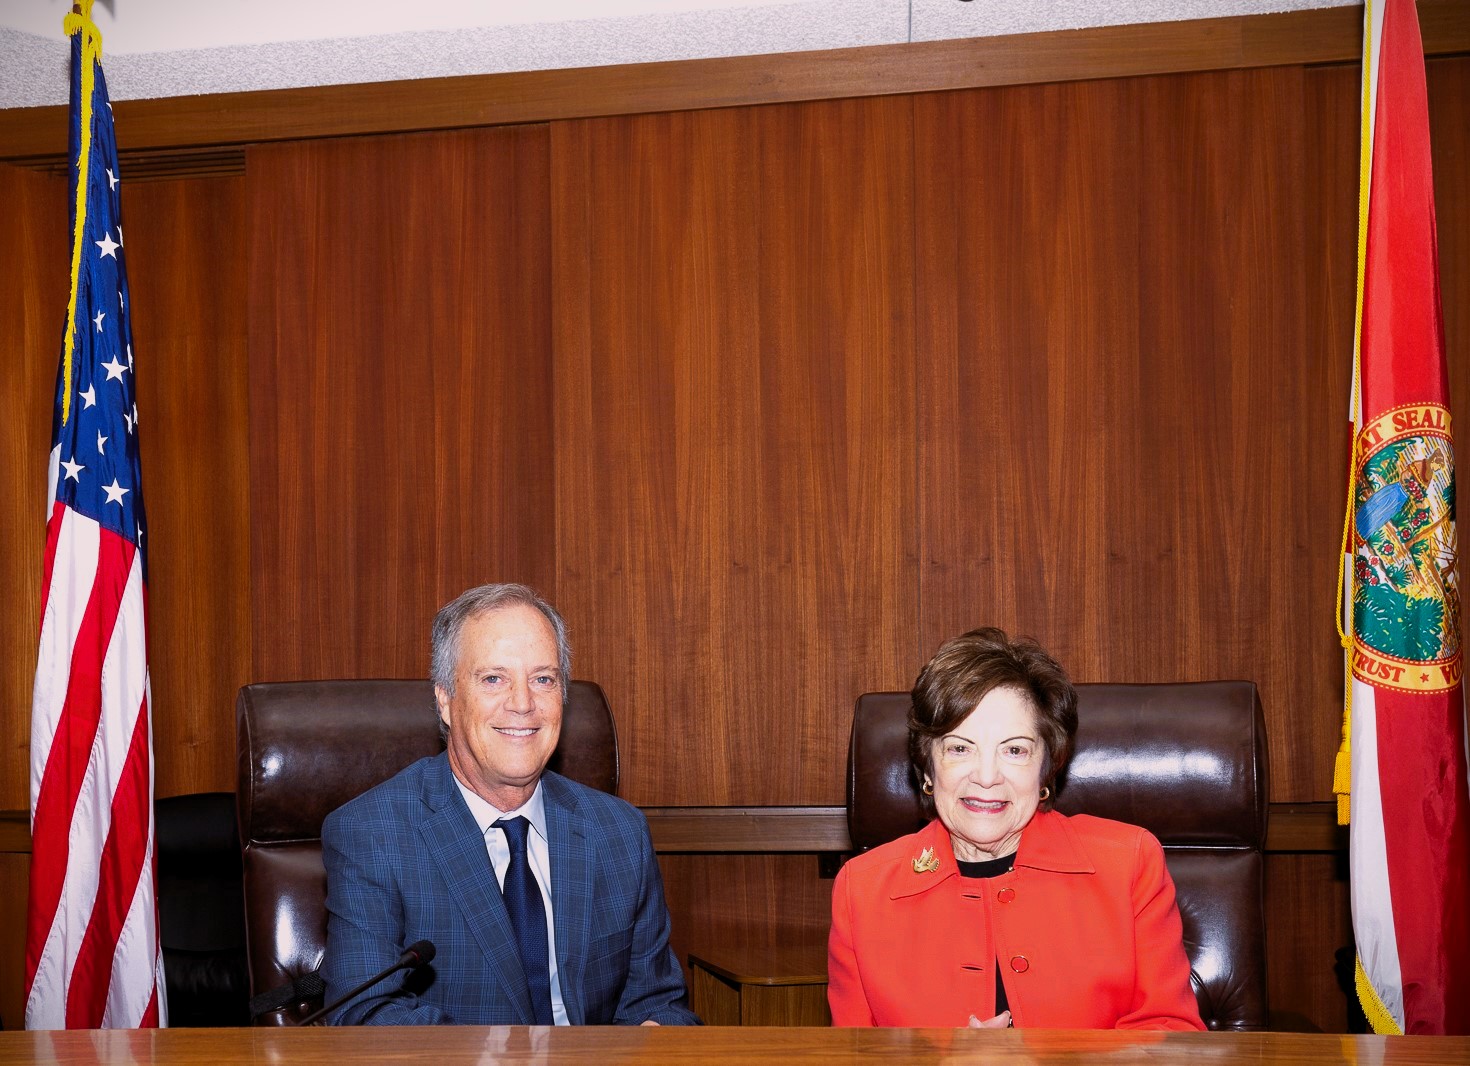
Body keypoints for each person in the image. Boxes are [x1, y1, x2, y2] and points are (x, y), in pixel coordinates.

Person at [321, 583, 698, 1025]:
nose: (523, 704)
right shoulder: (372, 833)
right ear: (445, 699)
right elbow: (365, 1017)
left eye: (543, 679)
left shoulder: (618, 832)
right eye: (493, 679)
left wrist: (650, 1038)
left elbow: (659, 1004)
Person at [827, 627, 1205, 1030]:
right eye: (959, 748)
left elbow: (1171, 1038)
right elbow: (853, 1054)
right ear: (928, 765)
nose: (987, 777)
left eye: (1015, 750)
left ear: (1048, 766)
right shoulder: (862, 892)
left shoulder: (1128, 864)